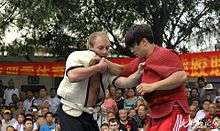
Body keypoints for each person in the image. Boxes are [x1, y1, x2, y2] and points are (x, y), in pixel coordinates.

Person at [106, 24, 189, 130]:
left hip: (174, 111)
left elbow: (181, 76)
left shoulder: (166, 54)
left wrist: (153, 86)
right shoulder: (141, 60)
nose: (132, 50)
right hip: (156, 114)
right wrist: (104, 63)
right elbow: (122, 70)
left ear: (144, 42)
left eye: (133, 46)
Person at [56, 31, 144, 131]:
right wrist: (97, 67)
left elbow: (125, 82)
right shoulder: (77, 56)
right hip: (70, 111)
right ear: (90, 46)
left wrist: (138, 74)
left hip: (90, 113)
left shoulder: (107, 67)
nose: (104, 52)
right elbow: (73, 76)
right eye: (100, 48)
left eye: (107, 48)